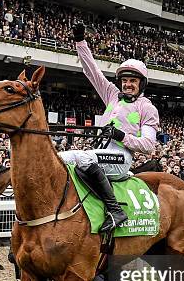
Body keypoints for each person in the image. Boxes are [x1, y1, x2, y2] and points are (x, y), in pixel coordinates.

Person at [63, 22, 160, 232]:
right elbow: (92, 72)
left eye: (133, 81)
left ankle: (116, 210)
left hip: (121, 158)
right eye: (125, 80)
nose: (127, 84)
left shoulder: (147, 108)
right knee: (62, 158)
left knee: (85, 158)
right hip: (101, 152)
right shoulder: (112, 95)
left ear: (141, 84)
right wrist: (80, 42)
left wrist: (121, 135)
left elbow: (149, 146)